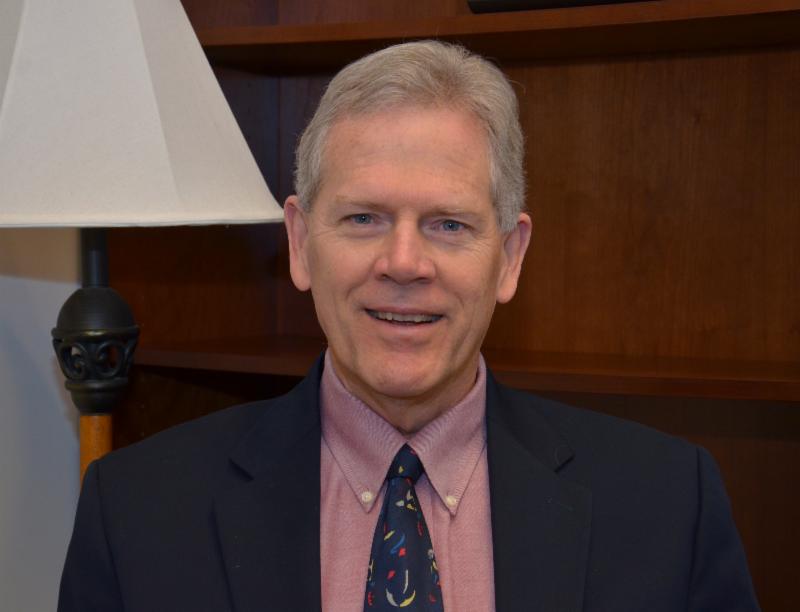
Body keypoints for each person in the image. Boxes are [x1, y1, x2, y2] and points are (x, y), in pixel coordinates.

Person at [58, 41, 759, 612]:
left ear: (510, 257)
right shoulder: (136, 512)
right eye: (363, 218)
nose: (403, 263)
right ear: (299, 243)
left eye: (448, 224)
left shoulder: (670, 504)